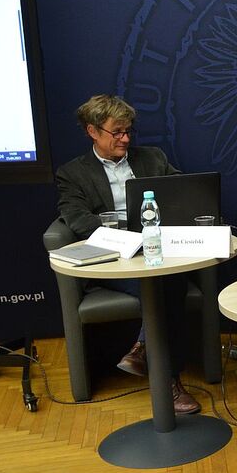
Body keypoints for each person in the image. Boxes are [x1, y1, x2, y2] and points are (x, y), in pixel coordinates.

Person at [55, 94, 200, 414]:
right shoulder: (73, 173)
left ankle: (142, 350)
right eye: (116, 132)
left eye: (128, 131)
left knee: (167, 278)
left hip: (158, 251)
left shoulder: (152, 158)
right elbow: (78, 219)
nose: (125, 139)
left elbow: (181, 190)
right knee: (165, 284)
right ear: (92, 131)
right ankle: (169, 382)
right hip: (115, 258)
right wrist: (125, 233)